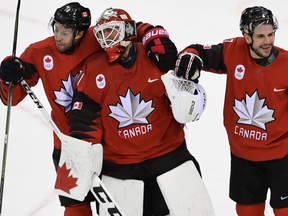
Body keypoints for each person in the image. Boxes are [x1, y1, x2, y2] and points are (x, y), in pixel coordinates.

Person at [0, 2, 177, 216]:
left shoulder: (98, 37)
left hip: (108, 146)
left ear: (81, 33)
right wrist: (8, 76)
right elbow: (10, 99)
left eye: (65, 32)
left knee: (121, 207)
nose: (58, 36)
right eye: (55, 29)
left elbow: (132, 27)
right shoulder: (38, 52)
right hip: (68, 145)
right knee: (75, 206)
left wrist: (153, 38)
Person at [68, 7, 214, 216]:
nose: (105, 38)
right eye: (101, 33)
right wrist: (84, 154)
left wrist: (191, 93)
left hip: (169, 157)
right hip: (120, 167)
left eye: (112, 31)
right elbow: (84, 120)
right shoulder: (92, 69)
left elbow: (190, 96)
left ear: (127, 30)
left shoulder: (157, 57)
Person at [175, 6, 288, 216]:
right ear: (246, 36)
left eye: (271, 34)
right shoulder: (233, 50)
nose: (268, 42)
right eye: (260, 36)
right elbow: (197, 51)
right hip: (243, 158)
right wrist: (189, 57)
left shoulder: (286, 64)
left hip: (282, 158)